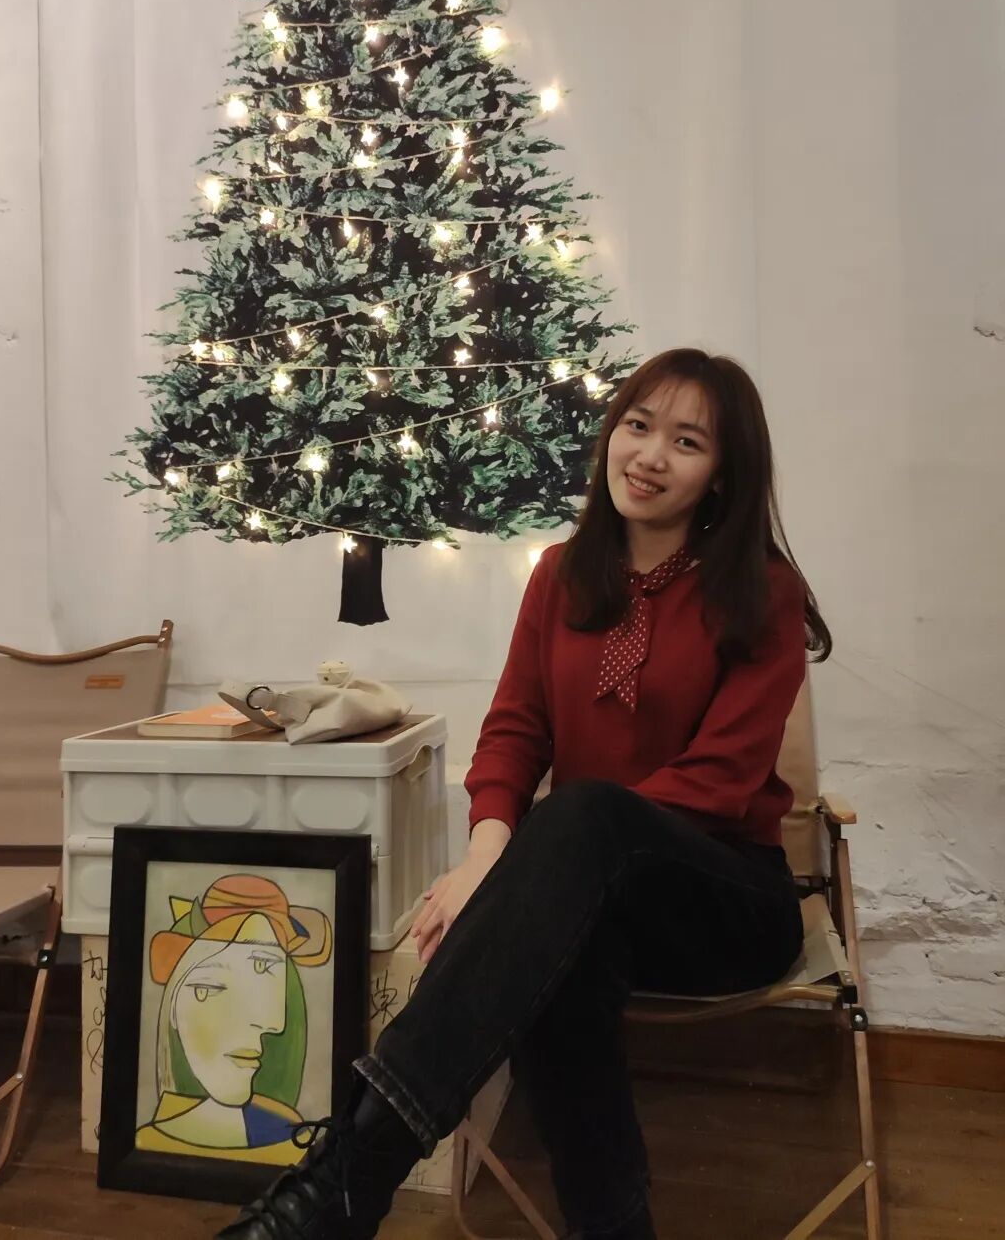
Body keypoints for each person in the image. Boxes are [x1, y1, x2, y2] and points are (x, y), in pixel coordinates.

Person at [214, 347, 832, 1240]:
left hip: (723, 899)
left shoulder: (762, 591)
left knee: (580, 822)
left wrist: (545, 853)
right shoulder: (560, 575)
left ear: (723, 472)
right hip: (585, 894)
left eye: (687, 441)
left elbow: (722, 779)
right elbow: (513, 730)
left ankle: (347, 1177)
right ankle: (588, 1226)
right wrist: (489, 857)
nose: (650, 455)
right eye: (638, 425)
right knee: (558, 947)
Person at [137, 873, 332, 1163]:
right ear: (173, 1009)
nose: (272, 1024)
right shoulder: (147, 1145)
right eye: (208, 989)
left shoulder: (294, 1139)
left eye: (267, 969)